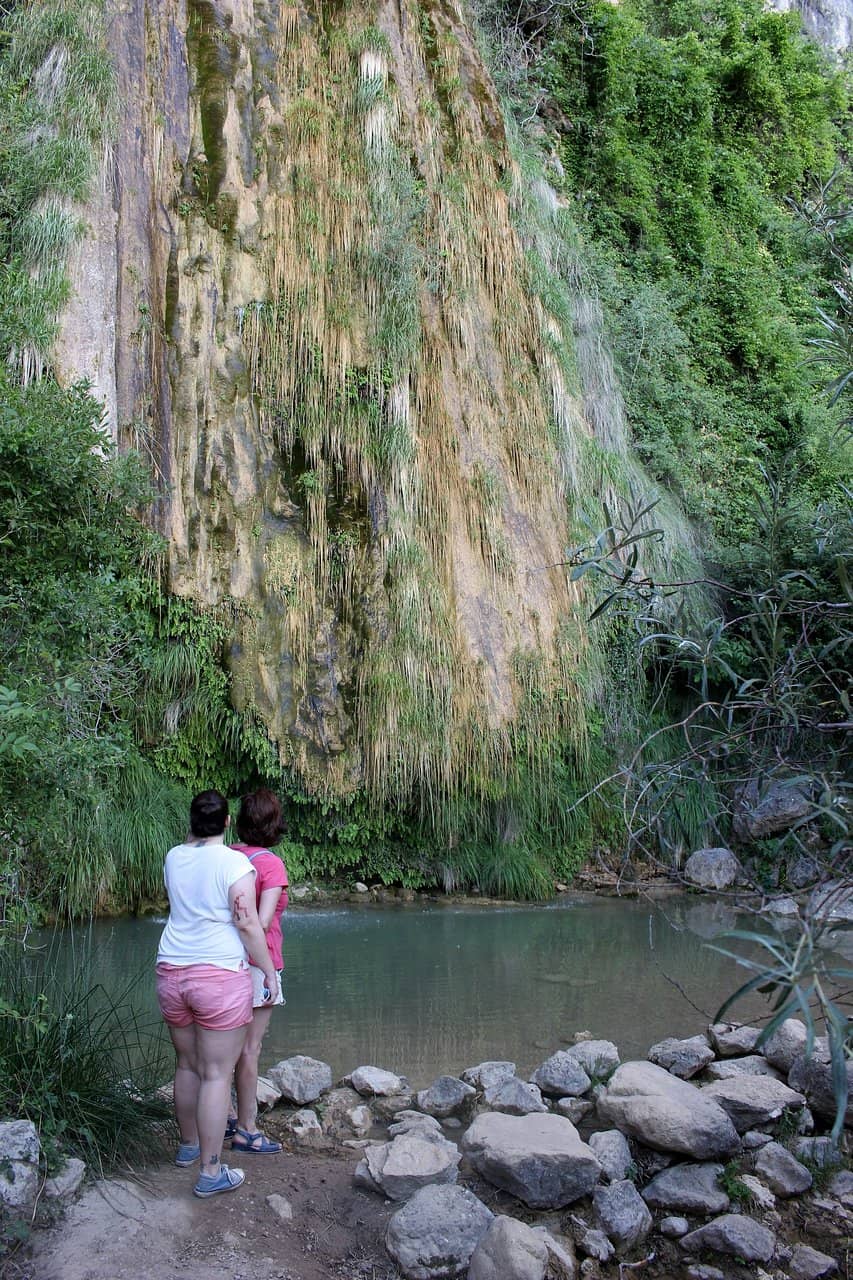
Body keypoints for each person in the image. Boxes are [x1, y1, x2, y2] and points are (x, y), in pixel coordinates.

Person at [156, 789, 278, 1198]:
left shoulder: (174, 856)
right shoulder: (235, 863)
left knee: (187, 1064)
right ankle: (211, 1173)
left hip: (172, 971)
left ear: (191, 821)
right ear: (227, 823)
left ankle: (189, 1147)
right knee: (215, 1074)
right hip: (218, 976)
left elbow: (191, 855)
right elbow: (247, 925)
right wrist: (267, 972)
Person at [227, 787, 289, 1154]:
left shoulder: (228, 856)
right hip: (257, 965)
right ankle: (247, 1129)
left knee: (224, 1051)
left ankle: (225, 1117)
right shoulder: (270, 864)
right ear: (273, 823)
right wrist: (267, 972)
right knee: (250, 1049)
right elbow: (262, 924)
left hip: (224, 964)